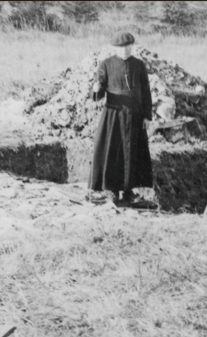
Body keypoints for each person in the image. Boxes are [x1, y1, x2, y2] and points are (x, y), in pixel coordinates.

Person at [89, 31, 154, 206]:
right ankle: (111, 190)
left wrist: (147, 116)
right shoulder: (106, 65)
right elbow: (99, 94)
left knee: (132, 152)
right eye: (121, 47)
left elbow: (146, 92)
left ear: (132, 46)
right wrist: (96, 89)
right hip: (113, 115)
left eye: (128, 47)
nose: (124, 50)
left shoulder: (139, 65)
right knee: (112, 151)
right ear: (114, 48)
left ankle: (128, 191)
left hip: (135, 115)